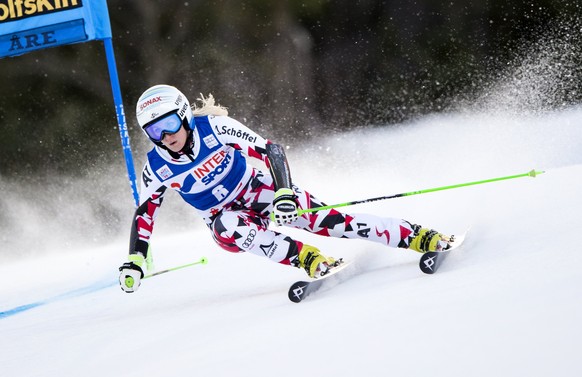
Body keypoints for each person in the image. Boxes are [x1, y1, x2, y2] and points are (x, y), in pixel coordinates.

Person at [118, 84, 452, 293]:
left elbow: (271, 150)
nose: (165, 137)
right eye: (153, 131)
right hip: (227, 222)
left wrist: (283, 193)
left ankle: (418, 236)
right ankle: (309, 259)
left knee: (332, 222)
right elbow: (145, 213)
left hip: (259, 191)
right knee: (228, 224)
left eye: (169, 125)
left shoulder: (215, 127)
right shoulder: (157, 167)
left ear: (184, 116)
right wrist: (136, 259)